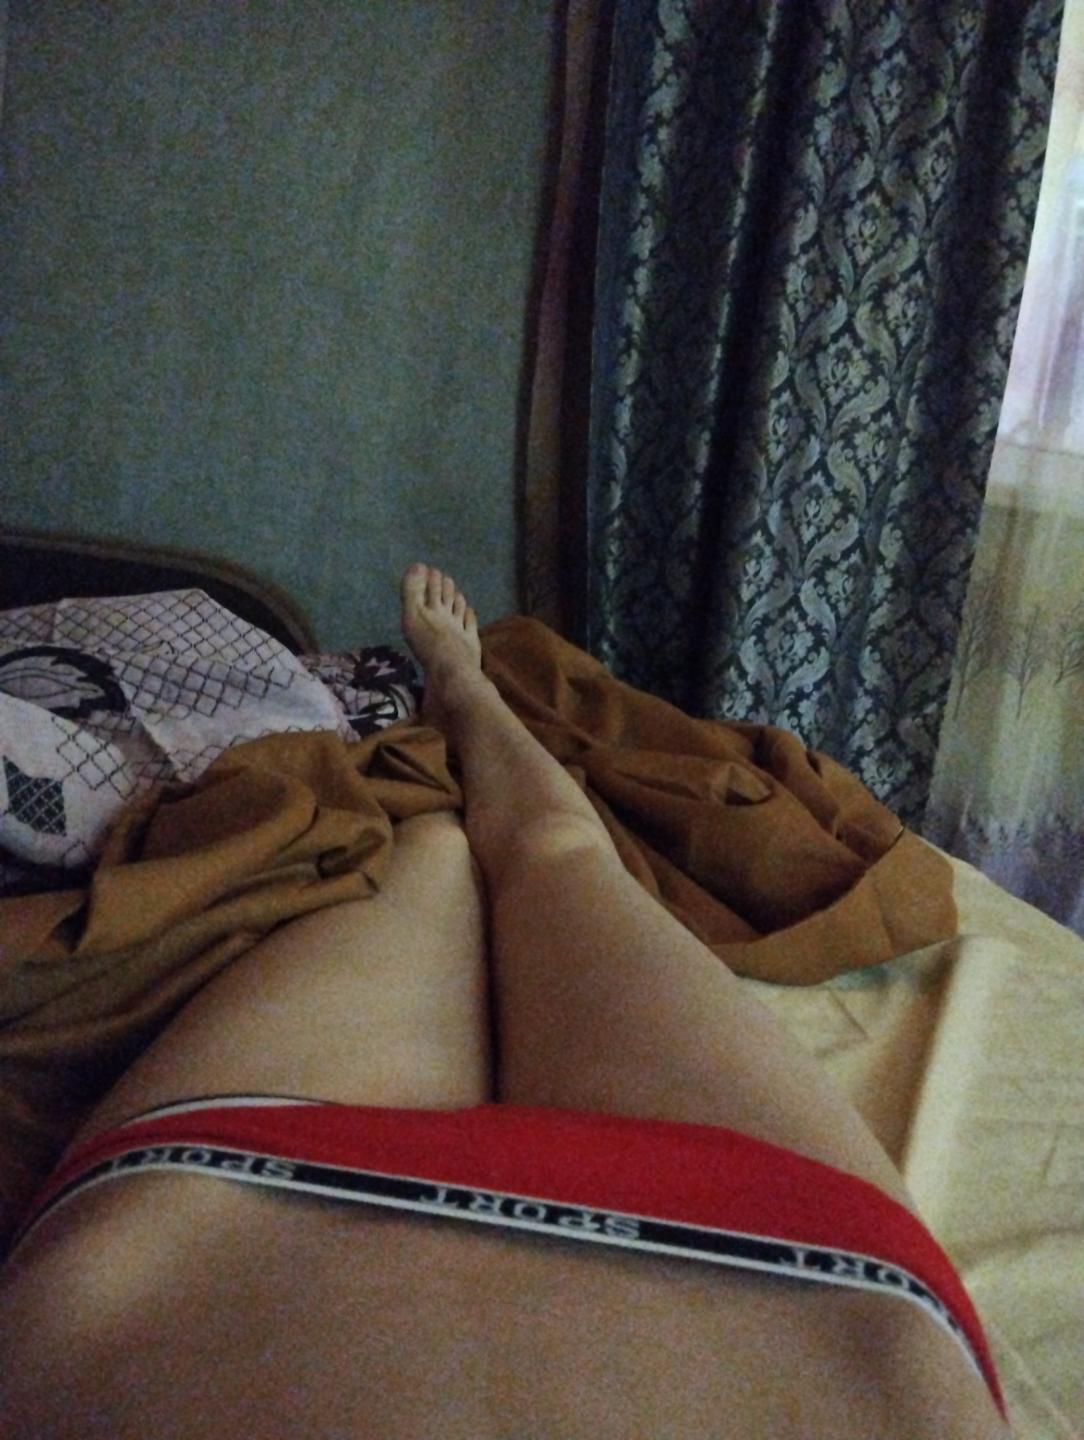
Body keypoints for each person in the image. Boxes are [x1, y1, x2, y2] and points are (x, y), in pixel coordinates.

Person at [0, 563, 1010, 1438]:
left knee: (435, 848)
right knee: (551, 857)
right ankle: (463, 692)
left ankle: (452, 708)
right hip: (799, 1268)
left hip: (222, 1220)